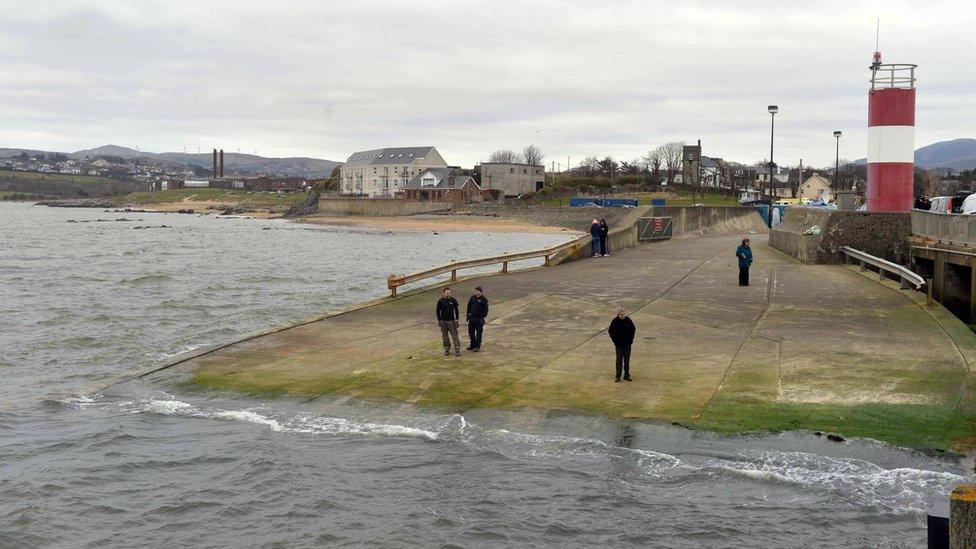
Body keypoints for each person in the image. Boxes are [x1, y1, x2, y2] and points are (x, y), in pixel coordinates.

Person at [608, 308, 635, 382]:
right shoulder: (615, 321)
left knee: (627, 360)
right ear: (618, 315)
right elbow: (610, 331)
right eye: (621, 314)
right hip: (619, 345)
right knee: (619, 360)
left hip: (627, 344)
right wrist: (615, 341)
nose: (623, 316)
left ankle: (626, 375)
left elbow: (633, 329)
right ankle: (618, 376)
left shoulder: (628, 320)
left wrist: (630, 340)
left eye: (624, 314)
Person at [436, 287, 462, 356]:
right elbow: (438, 311)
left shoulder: (453, 300)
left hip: (452, 321)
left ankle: (457, 350)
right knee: (445, 337)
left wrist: (457, 319)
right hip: (443, 321)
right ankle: (446, 349)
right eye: (447, 293)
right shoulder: (440, 301)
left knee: (455, 336)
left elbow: (456, 310)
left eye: (449, 293)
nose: (448, 294)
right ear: (444, 293)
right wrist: (439, 320)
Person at [466, 286, 489, 352]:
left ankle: (477, 346)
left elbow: (486, 310)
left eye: (478, 291)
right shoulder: (472, 298)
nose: (477, 292)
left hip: (479, 319)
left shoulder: (484, 299)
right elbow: (469, 306)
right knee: (471, 332)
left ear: (481, 291)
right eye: (476, 291)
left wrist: (483, 316)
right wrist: (468, 315)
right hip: (472, 318)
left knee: (479, 333)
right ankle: (472, 345)